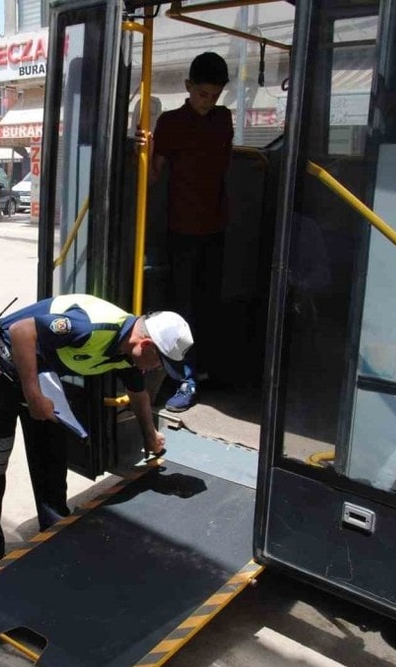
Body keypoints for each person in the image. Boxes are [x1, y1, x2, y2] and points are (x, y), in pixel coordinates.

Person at [0, 295, 192, 568]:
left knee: (51, 458)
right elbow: (21, 332)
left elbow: (138, 392)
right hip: (0, 366)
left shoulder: (129, 354)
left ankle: (53, 529)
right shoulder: (89, 326)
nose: (156, 369)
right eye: (160, 363)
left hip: (41, 374)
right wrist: (34, 395)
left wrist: (149, 435)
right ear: (146, 344)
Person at [149, 51, 233, 412]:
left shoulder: (223, 119)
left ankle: (203, 371)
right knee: (181, 307)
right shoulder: (169, 123)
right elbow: (154, 172)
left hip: (215, 225)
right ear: (187, 87)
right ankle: (184, 376)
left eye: (215, 96)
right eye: (203, 95)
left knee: (209, 303)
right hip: (181, 227)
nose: (209, 102)